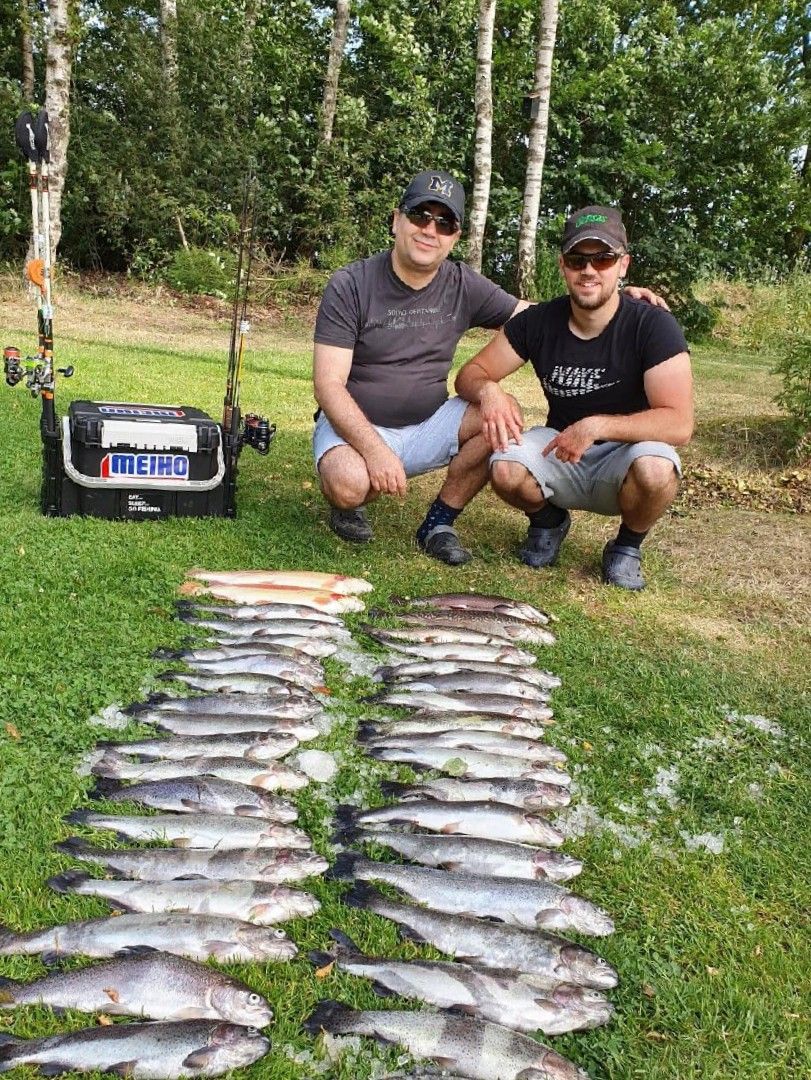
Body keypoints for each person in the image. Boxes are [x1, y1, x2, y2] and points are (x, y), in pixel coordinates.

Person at [312, 173, 667, 566]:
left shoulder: (463, 283)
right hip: (360, 423)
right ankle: (349, 505)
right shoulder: (350, 284)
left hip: (430, 419)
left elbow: (536, 319)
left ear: (456, 236)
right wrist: (375, 450)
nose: (431, 229)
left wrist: (613, 300)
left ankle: (438, 523)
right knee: (349, 485)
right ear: (396, 220)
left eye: (445, 222)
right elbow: (328, 385)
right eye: (420, 216)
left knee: (500, 416)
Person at [454, 204, 693, 590]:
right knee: (505, 466)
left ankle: (627, 546)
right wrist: (489, 391)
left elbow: (679, 423)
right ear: (563, 264)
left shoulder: (653, 325)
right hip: (562, 448)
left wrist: (597, 425)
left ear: (623, 265)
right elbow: (469, 375)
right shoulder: (538, 321)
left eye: (603, 258)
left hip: (626, 454)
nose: (589, 270)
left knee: (656, 469)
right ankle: (549, 522)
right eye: (577, 259)